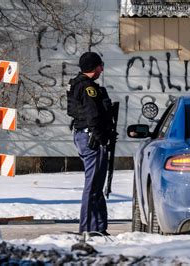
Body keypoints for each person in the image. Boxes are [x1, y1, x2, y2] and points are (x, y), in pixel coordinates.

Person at [67, 51, 114, 235]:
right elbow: (93, 114)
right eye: (100, 65)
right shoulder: (88, 88)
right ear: (93, 67)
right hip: (92, 138)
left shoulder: (79, 85)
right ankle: (87, 228)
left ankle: (99, 227)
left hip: (86, 136)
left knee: (96, 185)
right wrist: (101, 137)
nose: (102, 69)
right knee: (92, 185)